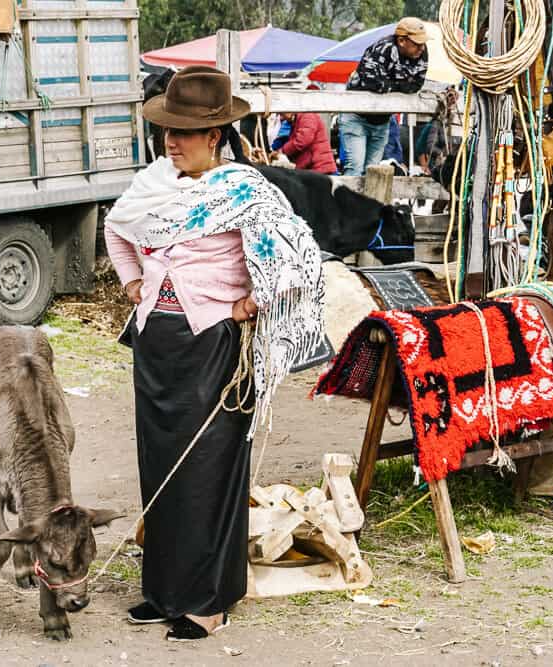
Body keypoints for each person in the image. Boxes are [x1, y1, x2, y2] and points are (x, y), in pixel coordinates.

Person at [104, 66, 324, 641]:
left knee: (207, 471)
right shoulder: (153, 184)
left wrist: (249, 303)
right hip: (158, 344)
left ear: (216, 137)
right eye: (166, 131)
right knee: (160, 468)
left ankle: (206, 600)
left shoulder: (247, 193)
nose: (171, 142)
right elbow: (116, 228)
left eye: (183, 133)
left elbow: (298, 261)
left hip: (214, 349)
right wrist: (133, 283)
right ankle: (163, 591)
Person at [340, 17, 428, 175]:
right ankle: (349, 200)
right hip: (357, 117)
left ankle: (366, 200)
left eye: (422, 43)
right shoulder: (383, 48)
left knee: (373, 172)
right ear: (402, 41)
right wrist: (400, 86)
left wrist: (391, 86)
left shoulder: (421, 54)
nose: (421, 48)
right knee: (355, 169)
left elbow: (416, 85)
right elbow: (373, 84)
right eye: (417, 43)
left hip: (382, 121)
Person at [270, 111, 337, 174]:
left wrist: (282, 151)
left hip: (319, 168)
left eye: (282, 114)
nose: (281, 118)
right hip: (315, 167)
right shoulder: (299, 119)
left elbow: (302, 140)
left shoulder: (307, 116)